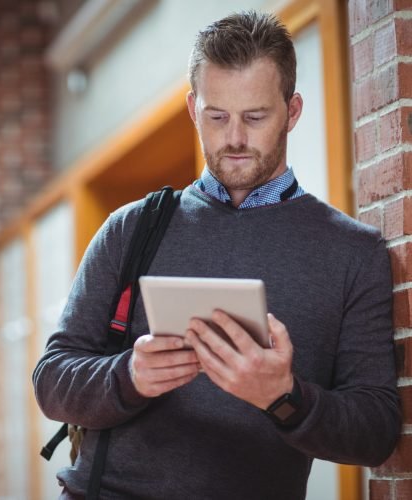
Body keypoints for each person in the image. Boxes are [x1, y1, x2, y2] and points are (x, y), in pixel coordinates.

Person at [33, 10, 401, 500]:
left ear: (292, 111)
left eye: (254, 117)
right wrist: (129, 376)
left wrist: (283, 397)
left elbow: (375, 433)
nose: (233, 138)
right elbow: (52, 380)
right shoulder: (132, 227)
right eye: (216, 116)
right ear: (193, 109)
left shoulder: (353, 252)